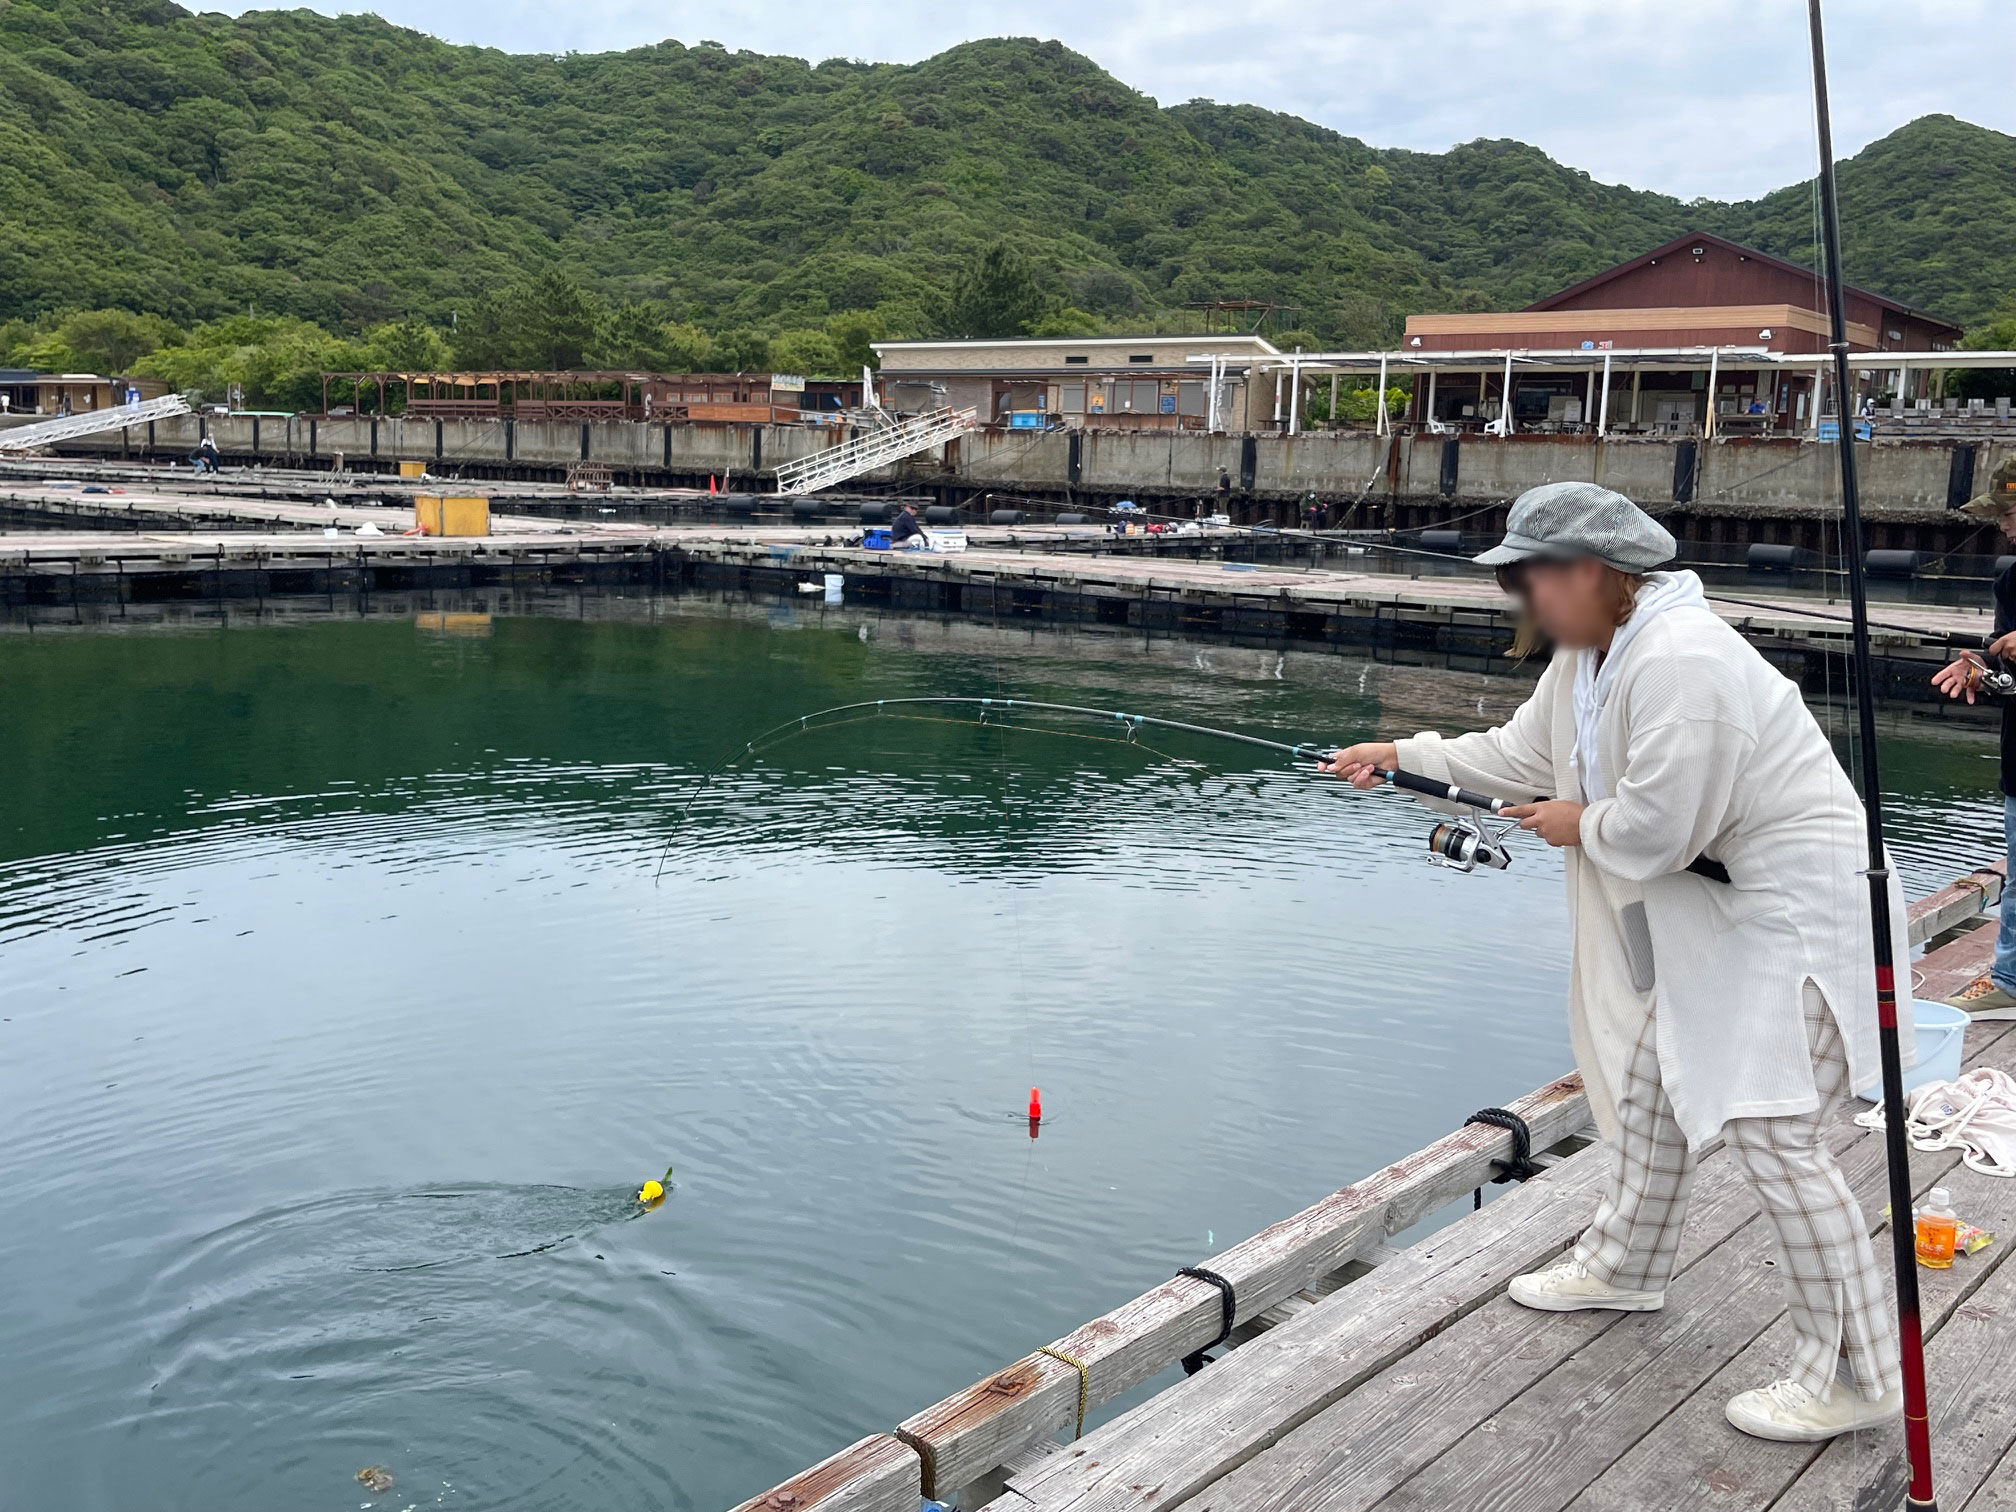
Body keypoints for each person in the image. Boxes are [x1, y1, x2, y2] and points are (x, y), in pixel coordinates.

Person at [1324, 481, 1908, 1443]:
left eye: (1529, 577)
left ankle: (1856, 1372)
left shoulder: (1684, 662)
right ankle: (1627, 1264)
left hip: (1801, 921)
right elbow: (1519, 756)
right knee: (1647, 1082)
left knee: (1775, 1141)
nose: (1520, 597)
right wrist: (1398, 751)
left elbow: (1661, 827)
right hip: (1719, 910)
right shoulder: (1591, 657)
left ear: (1592, 571)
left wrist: (1577, 823)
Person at [1930, 458, 2016, 1018]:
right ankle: (2009, 978)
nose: (2004, 526)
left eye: (2009, 512)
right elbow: (2003, 661)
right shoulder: (2011, 577)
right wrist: (1977, 669)